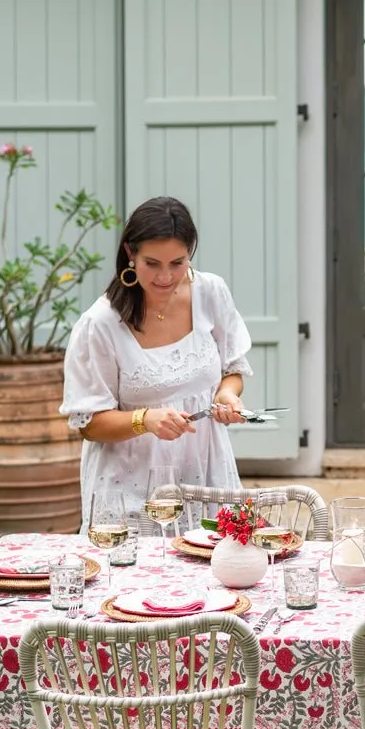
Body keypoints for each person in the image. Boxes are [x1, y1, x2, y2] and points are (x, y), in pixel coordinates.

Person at [61, 196, 252, 533]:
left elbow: (232, 369)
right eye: (152, 263)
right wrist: (144, 419)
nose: (166, 277)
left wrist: (227, 395)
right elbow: (89, 423)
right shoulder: (100, 324)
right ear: (130, 254)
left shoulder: (211, 292)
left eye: (177, 263)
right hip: (130, 493)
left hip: (207, 478)